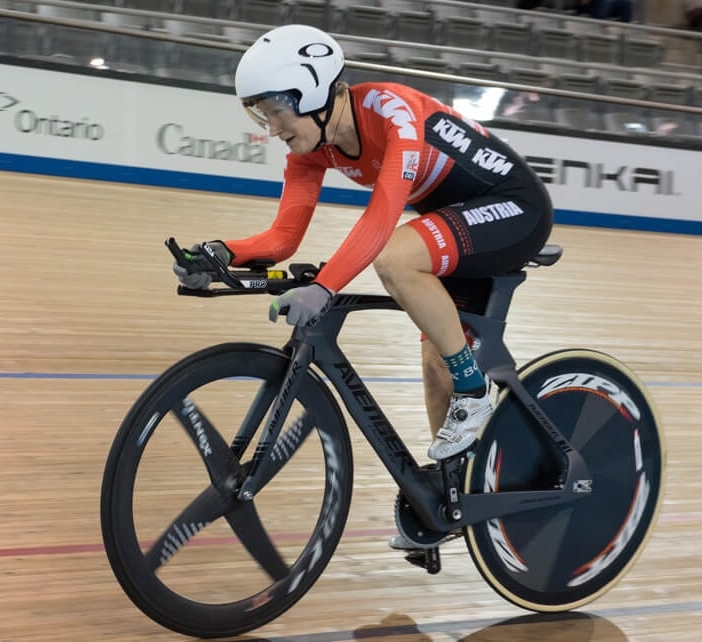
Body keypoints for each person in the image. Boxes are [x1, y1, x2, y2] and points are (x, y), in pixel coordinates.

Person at [173, 25, 553, 548]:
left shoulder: (393, 113)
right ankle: (450, 501)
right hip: (457, 223)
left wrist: (326, 286)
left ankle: (475, 389)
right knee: (435, 363)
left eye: (273, 111)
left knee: (396, 258)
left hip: (516, 208)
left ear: (309, 91)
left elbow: (380, 224)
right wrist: (220, 252)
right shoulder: (313, 148)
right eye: (259, 114)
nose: (269, 127)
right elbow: (283, 237)